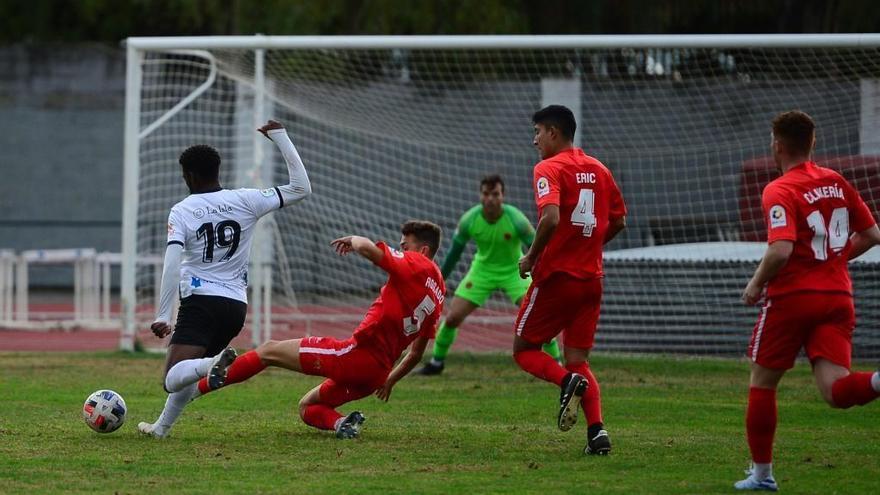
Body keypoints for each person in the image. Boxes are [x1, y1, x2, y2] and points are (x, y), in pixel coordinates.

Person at [137, 120, 312, 438]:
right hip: (235, 308)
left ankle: (213, 363)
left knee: (172, 377)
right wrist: (281, 138)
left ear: (187, 175)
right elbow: (301, 188)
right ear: (217, 171)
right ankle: (161, 428)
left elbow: (172, 263)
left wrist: (164, 314)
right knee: (189, 376)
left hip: (201, 302)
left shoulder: (182, 210)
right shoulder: (247, 199)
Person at [734, 110, 880, 491]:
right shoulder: (836, 181)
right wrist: (831, 262)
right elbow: (872, 234)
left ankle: (762, 475)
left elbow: (781, 250)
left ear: (777, 145)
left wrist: (754, 285)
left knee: (763, 382)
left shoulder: (779, 189)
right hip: (837, 296)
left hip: (792, 298)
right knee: (836, 391)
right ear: (813, 142)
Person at [191, 221, 445, 439]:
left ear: (423, 250)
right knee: (307, 407)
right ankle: (342, 423)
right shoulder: (439, 292)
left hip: (355, 357)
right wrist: (389, 381)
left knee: (268, 351)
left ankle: (193, 391)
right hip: (377, 374)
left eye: (405, 245)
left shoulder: (416, 264)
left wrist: (353, 239)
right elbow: (415, 353)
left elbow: (368, 248)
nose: (400, 249)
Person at [513, 105, 626, 456]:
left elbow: (549, 218)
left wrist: (531, 257)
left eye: (537, 132)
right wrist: (587, 245)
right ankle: (597, 433)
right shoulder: (600, 168)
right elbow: (619, 221)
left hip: (558, 278)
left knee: (524, 350)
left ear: (553, 132)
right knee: (578, 359)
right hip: (592, 281)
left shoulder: (548, 168)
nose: (534, 141)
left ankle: (566, 382)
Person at [416, 174, 561, 376]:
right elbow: (453, 254)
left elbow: (537, 247)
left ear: (503, 196)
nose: (490, 199)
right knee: (452, 318)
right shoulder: (469, 220)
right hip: (482, 271)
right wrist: (438, 281)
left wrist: (546, 275)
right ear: (480, 195)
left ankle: (558, 365)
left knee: (537, 318)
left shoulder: (517, 219)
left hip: (514, 271)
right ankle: (436, 363)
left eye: (495, 194)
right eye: (486, 194)